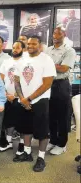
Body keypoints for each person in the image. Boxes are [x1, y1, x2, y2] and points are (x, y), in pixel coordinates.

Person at [13, 36, 56, 172]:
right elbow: (16, 80)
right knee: (26, 128)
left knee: (42, 131)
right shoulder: (23, 58)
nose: (30, 45)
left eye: (33, 43)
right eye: (28, 43)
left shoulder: (46, 59)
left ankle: (41, 158)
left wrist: (29, 99)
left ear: (40, 45)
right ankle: (27, 153)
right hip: (24, 100)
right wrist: (22, 98)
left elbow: (47, 83)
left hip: (40, 101)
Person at [45, 27, 76, 155]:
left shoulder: (69, 50)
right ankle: (53, 140)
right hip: (48, 84)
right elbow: (44, 66)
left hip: (61, 84)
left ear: (64, 35)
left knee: (63, 116)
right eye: (54, 33)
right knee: (51, 115)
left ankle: (62, 144)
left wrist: (50, 64)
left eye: (59, 33)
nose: (55, 35)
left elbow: (63, 69)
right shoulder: (48, 50)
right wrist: (54, 64)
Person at [0, 41, 26, 152]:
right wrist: (6, 93)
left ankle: (22, 144)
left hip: (20, 97)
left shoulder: (26, 62)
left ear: (23, 49)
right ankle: (8, 142)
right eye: (13, 47)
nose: (15, 49)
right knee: (8, 121)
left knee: (22, 122)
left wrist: (15, 95)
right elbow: (0, 79)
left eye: (17, 48)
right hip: (7, 97)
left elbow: (27, 81)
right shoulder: (6, 61)